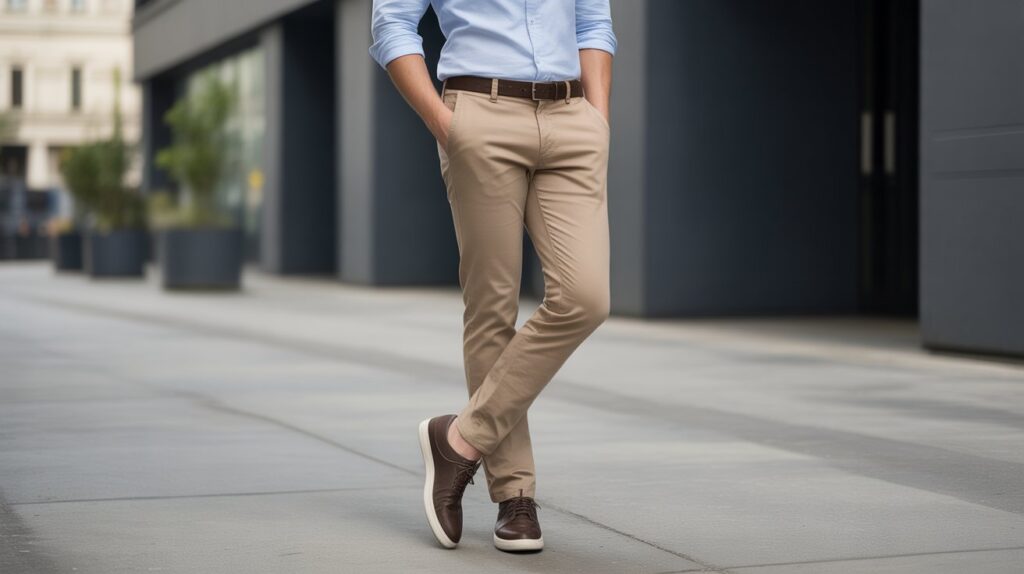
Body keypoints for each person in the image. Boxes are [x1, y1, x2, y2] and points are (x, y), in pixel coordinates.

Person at [369, 0, 616, 553]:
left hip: (572, 118)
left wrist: (598, 120)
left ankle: (459, 438)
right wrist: (445, 124)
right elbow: (391, 24)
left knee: (586, 298)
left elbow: (594, 23)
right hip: (479, 111)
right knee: (491, 306)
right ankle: (515, 495)